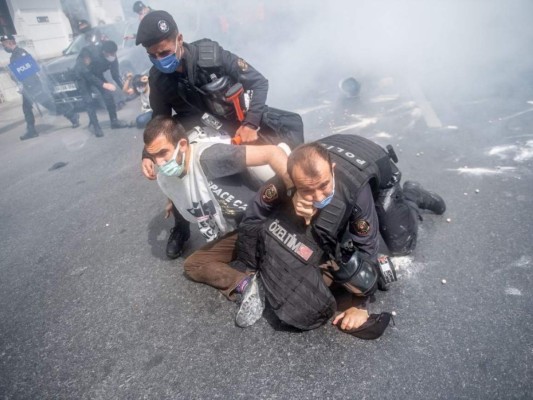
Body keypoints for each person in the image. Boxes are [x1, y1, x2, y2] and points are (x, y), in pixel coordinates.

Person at [195, 134, 446, 335]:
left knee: (403, 242)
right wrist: (249, 265)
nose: (317, 196)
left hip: (373, 163)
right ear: (291, 178)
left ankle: (412, 195)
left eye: (324, 186)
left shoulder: (354, 190)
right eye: (308, 190)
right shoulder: (287, 178)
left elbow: (367, 246)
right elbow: (254, 215)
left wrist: (360, 305)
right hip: (330, 150)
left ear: (332, 170)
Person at [135, 10, 304, 258]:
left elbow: (259, 82)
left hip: (237, 126)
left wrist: (251, 124)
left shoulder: (209, 55)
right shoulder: (158, 78)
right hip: (196, 135)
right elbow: (160, 119)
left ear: (179, 39)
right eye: (153, 56)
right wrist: (146, 155)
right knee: (173, 169)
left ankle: (296, 208)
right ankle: (181, 227)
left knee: (276, 163)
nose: (160, 60)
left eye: (164, 53)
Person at [144, 115, 291, 307]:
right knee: (193, 265)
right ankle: (246, 285)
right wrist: (172, 201)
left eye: (163, 153)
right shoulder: (167, 174)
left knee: (291, 269)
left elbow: (273, 153)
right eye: (153, 156)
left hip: (268, 220)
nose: (160, 163)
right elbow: (178, 186)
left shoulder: (211, 157)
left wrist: (298, 194)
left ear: (182, 144)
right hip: (241, 230)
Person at [1, 34, 80, 141]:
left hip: (33, 85)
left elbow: (30, 70)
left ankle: (72, 116)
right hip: (27, 87)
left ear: (10, 43)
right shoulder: (15, 55)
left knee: (48, 104)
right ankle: (31, 130)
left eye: (4, 44)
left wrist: (24, 82)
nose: (4, 47)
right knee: (27, 108)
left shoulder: (20, 53)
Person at [74, 41, 129, 137]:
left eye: (114, 53)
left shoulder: (113, 57)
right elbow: (86, 73)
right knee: (89, 101)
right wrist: (103, 84)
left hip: (96, 74)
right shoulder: (89, 52)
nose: (113, 55)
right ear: (104, 52)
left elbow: (115, 75)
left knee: (108, 95)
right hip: (82, 76)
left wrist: (125, 88)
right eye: (111, 54)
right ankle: (96, 126)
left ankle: (114, 121)